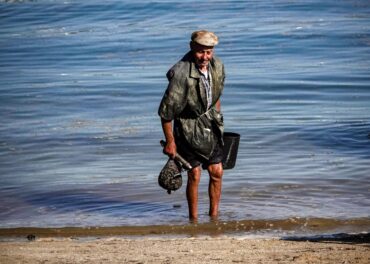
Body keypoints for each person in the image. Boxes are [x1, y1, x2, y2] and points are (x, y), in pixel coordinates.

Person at [158, 30, 225, 221]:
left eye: (209, 52)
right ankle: (193, 220)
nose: (205, 57)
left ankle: (214, 217)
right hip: (187, 128)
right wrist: (171, 142)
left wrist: (218, 118)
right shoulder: (180, 75)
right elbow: (166, 114)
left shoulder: (218, 66)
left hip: (211, 125)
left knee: (216, 171)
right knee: (194, 173)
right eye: (201, 52)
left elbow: (217, 96)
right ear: (192, 48)